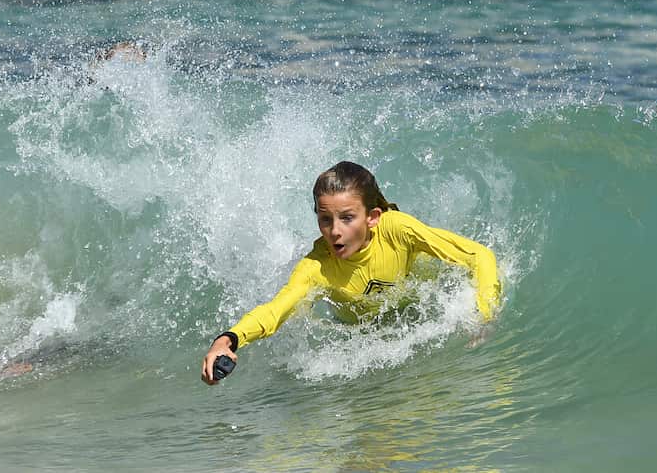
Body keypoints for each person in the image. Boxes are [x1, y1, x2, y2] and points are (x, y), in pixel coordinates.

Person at [200, 161, 502, 385]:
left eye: (347, 218)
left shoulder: (398, 229)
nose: (334, 231)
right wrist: (228, 339)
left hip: (418, 310)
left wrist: (484, 316)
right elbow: (275, 310)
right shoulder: (317, 266)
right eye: (325, 219)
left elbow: (479, 256)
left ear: (372, 217)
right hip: (363, 335)